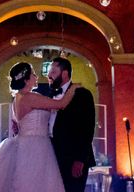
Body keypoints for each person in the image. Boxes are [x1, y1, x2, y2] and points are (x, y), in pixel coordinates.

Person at [0, 61, 80, 191]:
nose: (36, 77)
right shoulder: (30, 97)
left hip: (25, 143)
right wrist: (74, 88)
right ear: (26, 80)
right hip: (36, 146)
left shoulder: (17, 98)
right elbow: (61, 104)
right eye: (33, 74)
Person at [48, 57, 96, 192]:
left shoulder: (82, 95)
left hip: (73, 158)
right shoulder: (47, 94)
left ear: (64, 73)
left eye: (53, 71)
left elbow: (87, 129)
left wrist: (79, 159)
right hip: (52, 156)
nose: (49, 75)